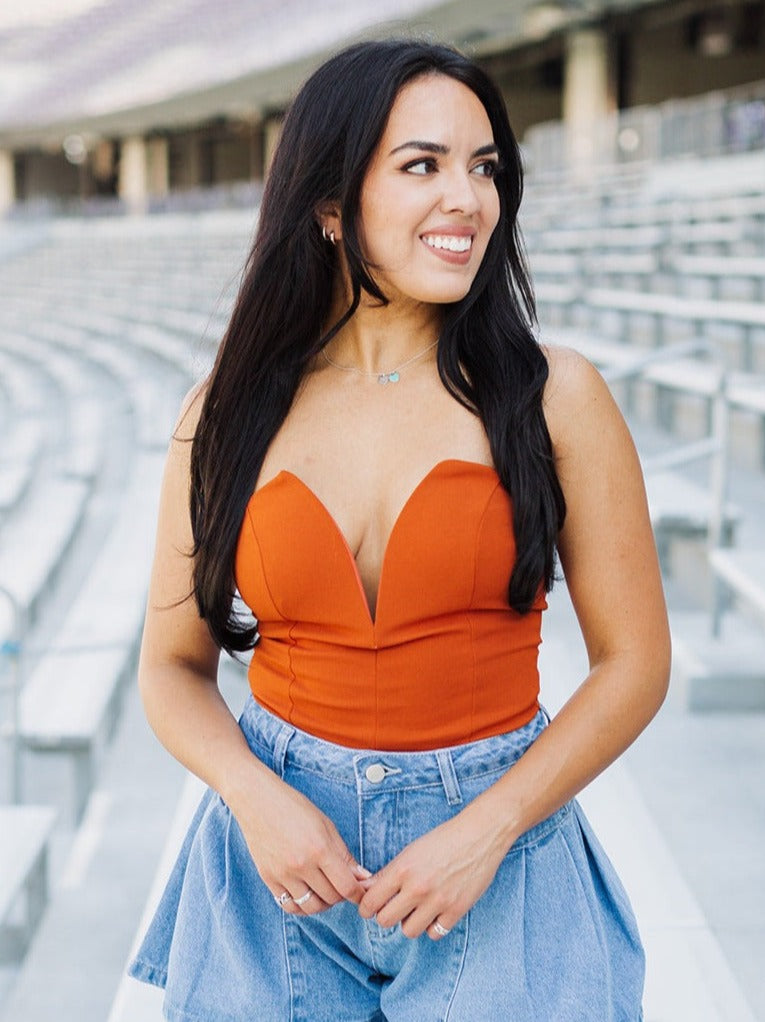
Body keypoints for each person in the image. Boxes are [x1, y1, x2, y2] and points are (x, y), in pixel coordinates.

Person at [129, 38, 670, 1022]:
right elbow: (169, 667)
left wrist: (492, 822)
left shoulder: (556, 397)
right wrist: (254, 795)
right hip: (279, 865)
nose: (466, 198)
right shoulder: (226, 409)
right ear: (331, 205)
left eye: (485, 167)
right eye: (422, 165)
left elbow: (633, 661)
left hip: (495, 859)